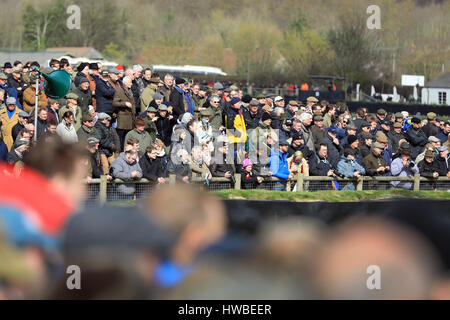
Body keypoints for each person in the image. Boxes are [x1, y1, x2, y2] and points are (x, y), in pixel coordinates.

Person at [113, 76, 136, 150]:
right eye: (130, 82)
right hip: (122, 119)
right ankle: (119, 152)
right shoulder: (119, 90)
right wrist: (124, 103)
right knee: (120, 137)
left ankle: (125, 150)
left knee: (127, 137)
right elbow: (114, 103)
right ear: (125, 83)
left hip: (130, 118)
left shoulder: (130, 91)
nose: (131, 84)